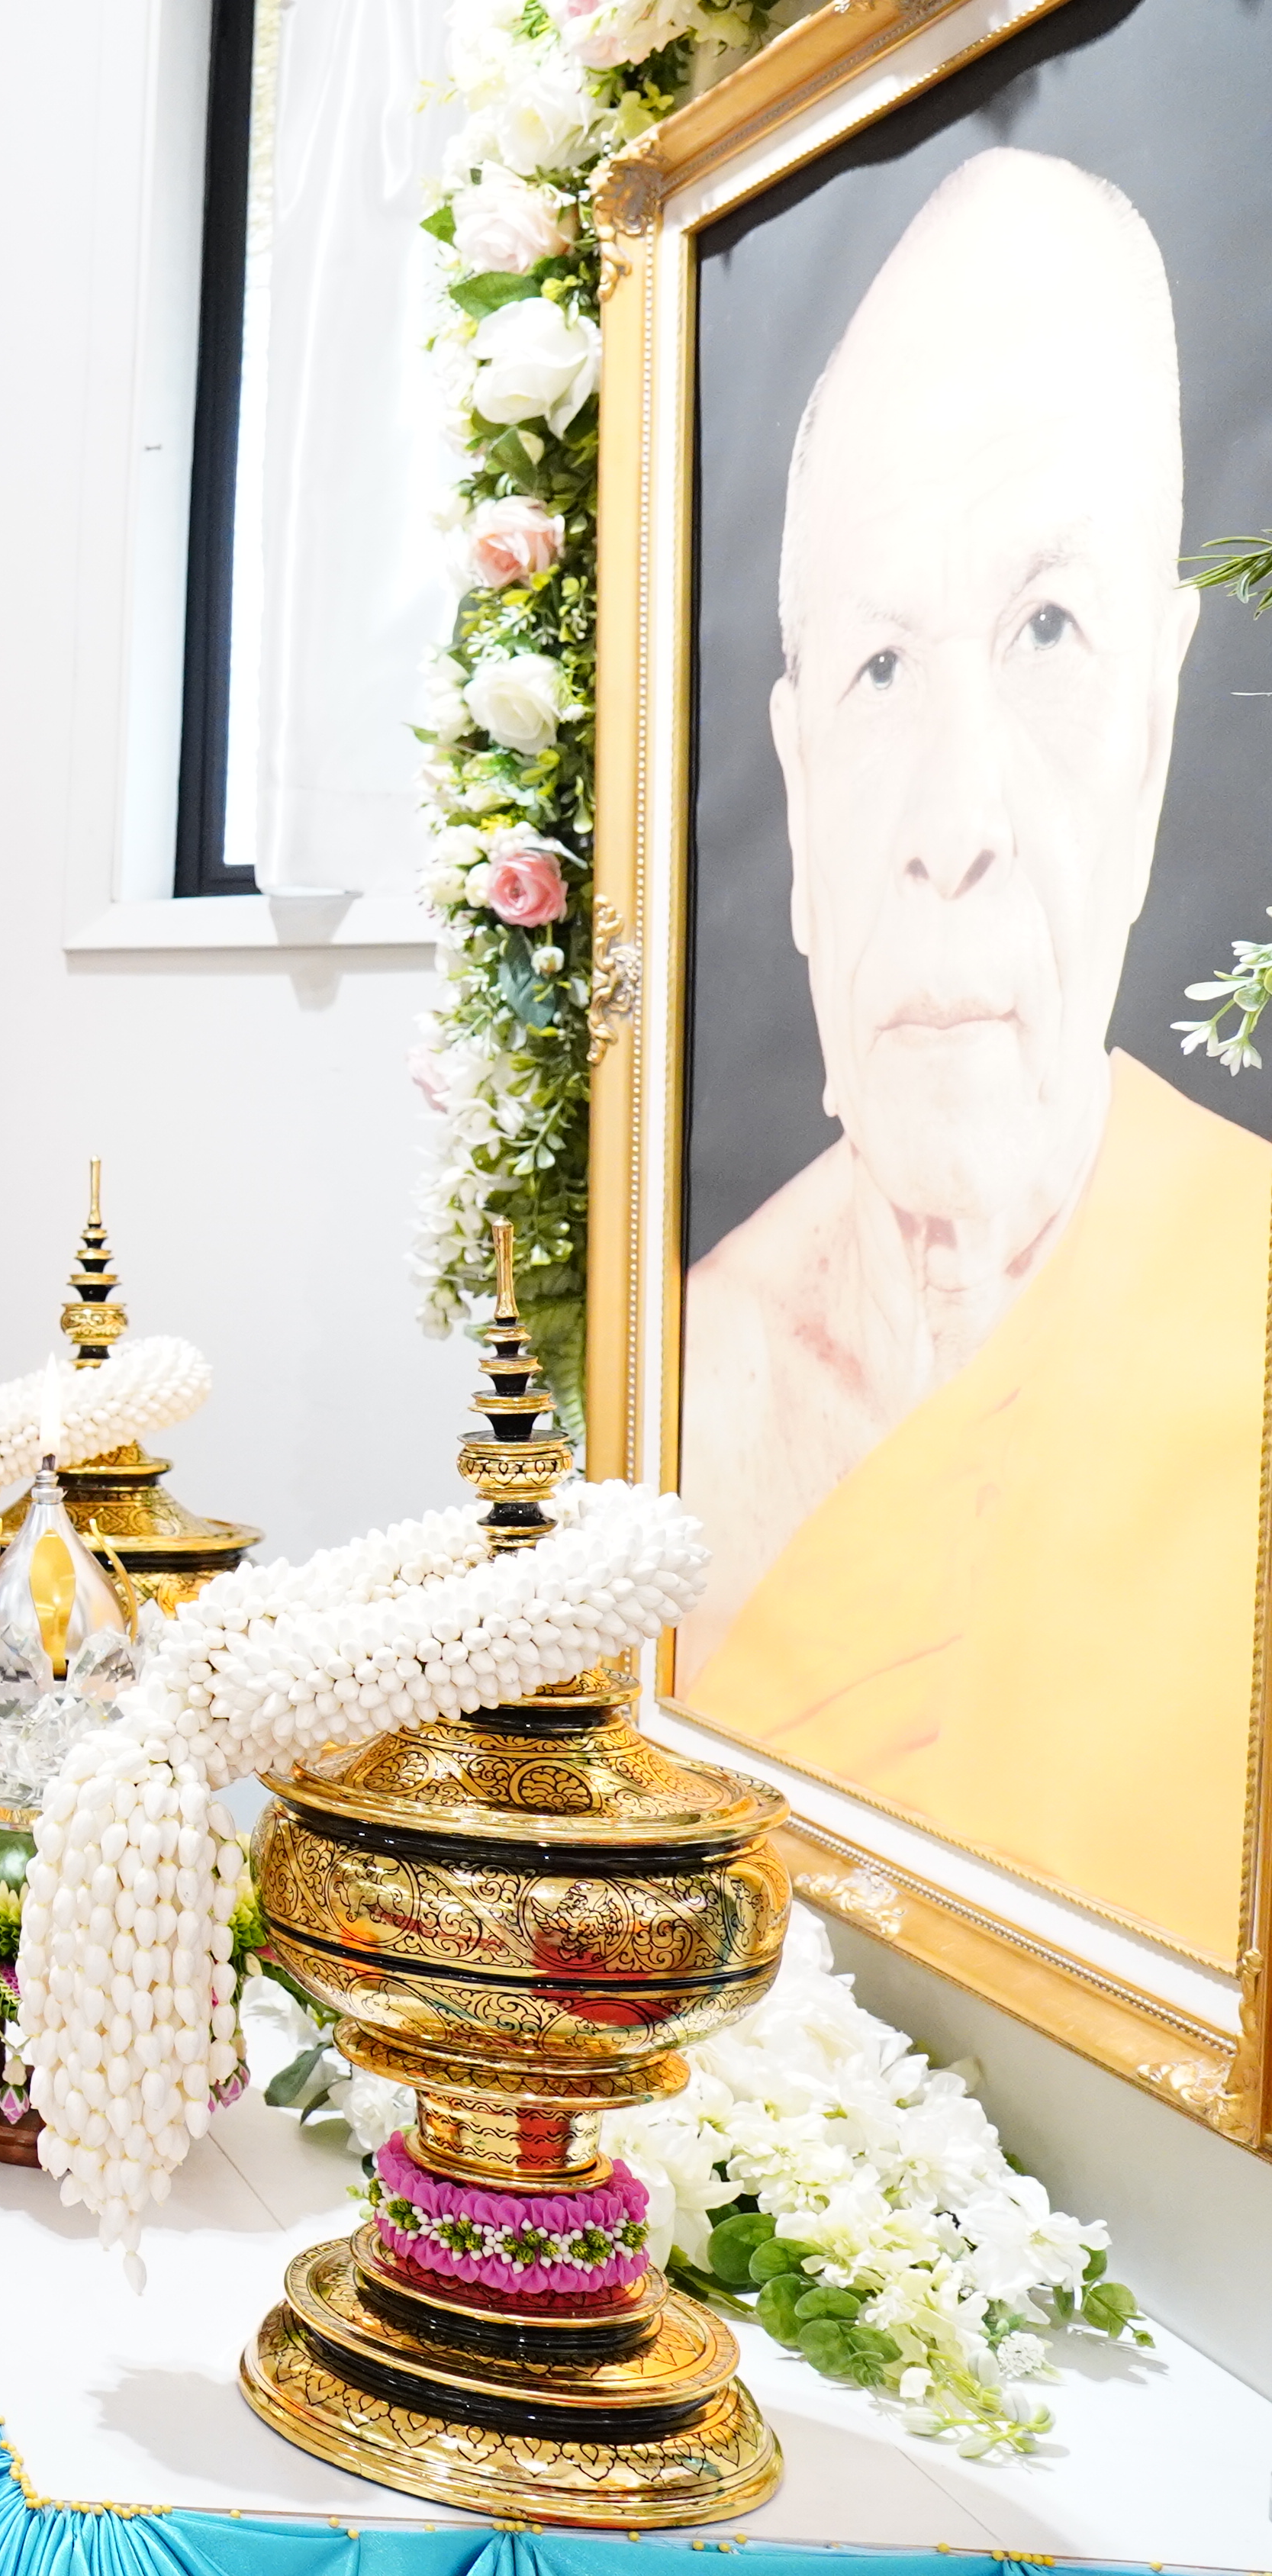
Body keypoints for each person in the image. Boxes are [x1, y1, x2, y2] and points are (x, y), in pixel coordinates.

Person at [677, 147, 1267, 1960]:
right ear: (791, 767)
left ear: (1156, 730)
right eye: (875, 668)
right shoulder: (682, 1367)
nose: (952, 822)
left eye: (1047, 633)